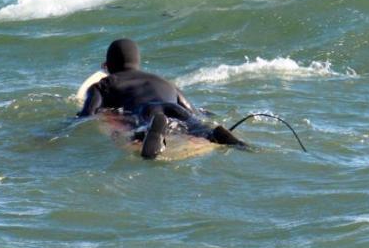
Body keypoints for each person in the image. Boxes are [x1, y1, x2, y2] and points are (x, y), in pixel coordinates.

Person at [78, 38, 245, 158]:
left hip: (146, 111)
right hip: (174, 108)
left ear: (108, 66)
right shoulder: (165, 82)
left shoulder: (104, 85)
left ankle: (152, 132)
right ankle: (214, 133)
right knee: (195, 126)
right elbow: (193, 110)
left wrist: (61, 129)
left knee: (140, 130)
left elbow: (88, 113)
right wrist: (206, 115)